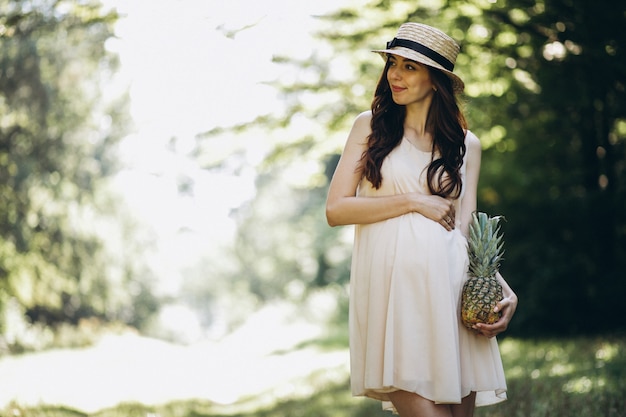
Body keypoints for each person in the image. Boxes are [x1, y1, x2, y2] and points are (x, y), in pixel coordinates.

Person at [325, 22, 518, 417]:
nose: (395, 75)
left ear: (437, 80)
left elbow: (466, 229)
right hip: (393, 297)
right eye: (393, 64)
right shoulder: (370, 127)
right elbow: (337, 209)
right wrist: (414, 201)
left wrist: (501, 288)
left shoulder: (467, 145)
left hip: (450, 297)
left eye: (409, 67)